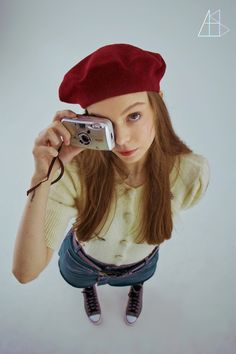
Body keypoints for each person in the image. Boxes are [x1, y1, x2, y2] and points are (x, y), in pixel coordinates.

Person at [12, 43, 210, 326]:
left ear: (159, 104)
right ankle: (88, 289)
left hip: (142, 266)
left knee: (138, 279)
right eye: (104, 124)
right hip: (81, 263)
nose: (122, 139)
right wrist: (42, 177)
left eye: (134, 116)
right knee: (83, 281)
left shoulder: (192, 172)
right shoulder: (73, 174)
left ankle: (135, 288)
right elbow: (25, 272)